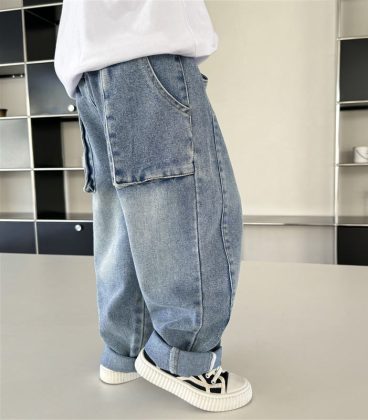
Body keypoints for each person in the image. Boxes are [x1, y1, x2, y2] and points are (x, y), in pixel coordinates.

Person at [54, 0, 252, 412]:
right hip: (148, 49)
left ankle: (124, 350)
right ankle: (184, 359)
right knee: (192, 205)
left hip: (88, 68)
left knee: (123, 217)